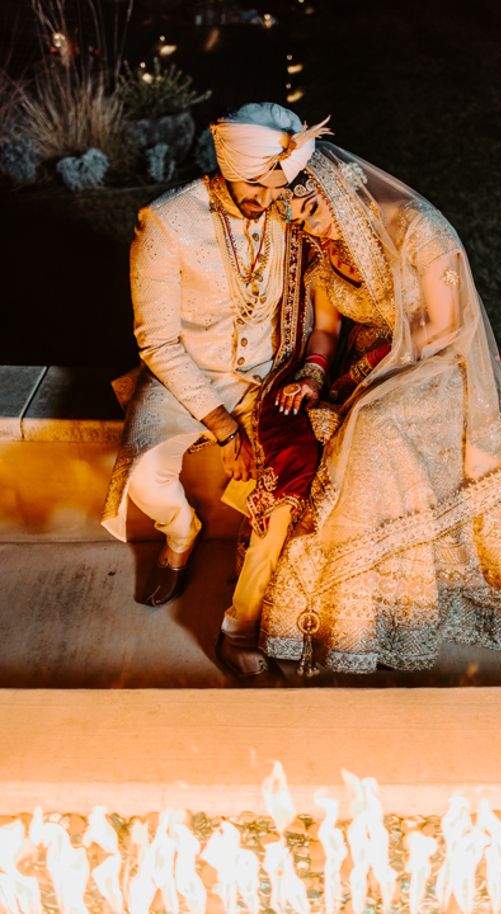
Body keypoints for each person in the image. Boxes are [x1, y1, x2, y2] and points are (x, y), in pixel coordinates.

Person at [258, 143, 501, 675]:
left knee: (376, 429)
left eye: (313, 211)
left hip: (438, 364)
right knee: (351, 426)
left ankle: (398, 604)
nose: (311, 231)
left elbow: (446, 327)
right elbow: (328, 328)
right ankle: (355, 607)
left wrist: (364, 376)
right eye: (296, 220)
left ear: (340, 189)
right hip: (370, 363)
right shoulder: (326, 247)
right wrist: (313, 372)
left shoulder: (420, 228)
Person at [101, 102, 330, 677]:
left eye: (276, 182)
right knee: (147, 475)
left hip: (272, 375)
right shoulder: (167, 221)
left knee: (295, 482)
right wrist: (224, 427)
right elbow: (156, 342)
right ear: (226, 163)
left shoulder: (290, 207)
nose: (264, 195)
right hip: (187, 378)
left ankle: (240, 622)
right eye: (252, 182)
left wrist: (309, 370)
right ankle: (181, 536)